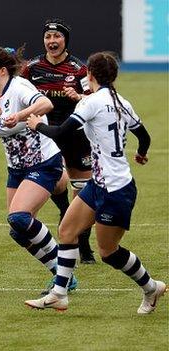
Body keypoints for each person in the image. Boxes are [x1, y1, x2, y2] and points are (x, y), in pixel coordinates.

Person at [24, 52, 165, 314]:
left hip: (116, 190)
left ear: (89, 74)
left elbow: (59, 133)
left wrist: (36, 125)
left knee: (108, 252)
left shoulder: (90, 103)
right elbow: (143, 136)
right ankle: (59, 294)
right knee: (67, 230)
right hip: (100, 184)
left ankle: (150, 287)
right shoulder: (122, 102)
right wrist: (141, 154)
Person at [0, 47, 79, 293]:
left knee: (19, 217)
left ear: (2, 71)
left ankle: (64, 272)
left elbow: (45, 104)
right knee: (18, 230)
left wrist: (19, 116)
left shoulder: (19, 87)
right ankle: (65, 277)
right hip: (16, 169)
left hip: (43, 162)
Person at [21, 19, 96, 264]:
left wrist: (80, 96)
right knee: (57, 183)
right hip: (43, 135)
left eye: (57, 37)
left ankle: (84, 248)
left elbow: (97, 99)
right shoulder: (31, 68)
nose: (52, 41)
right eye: (48, 37)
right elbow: (17, 93)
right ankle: (65, 213)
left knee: (82, 192)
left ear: (65, 40)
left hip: (75, 136)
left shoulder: (78, 69)